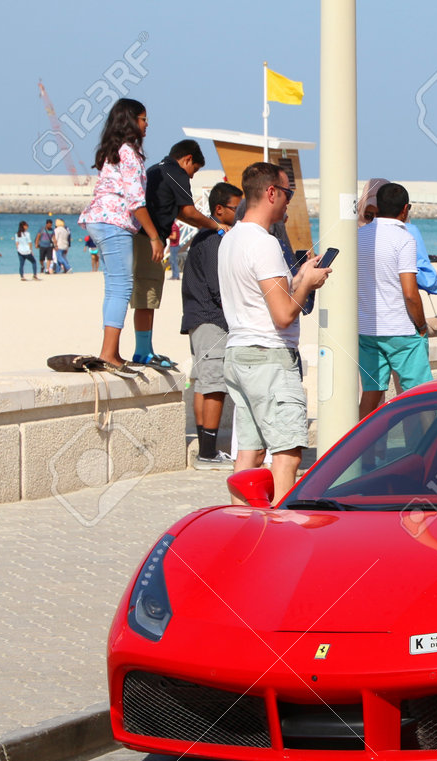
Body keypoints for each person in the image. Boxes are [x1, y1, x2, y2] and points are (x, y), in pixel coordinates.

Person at [220, 161, 330, 503]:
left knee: (249, 453)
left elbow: (263, 299)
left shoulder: (231, 239)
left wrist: (299, 280)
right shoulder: (264, 244)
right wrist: (308, 284)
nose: (289, 202)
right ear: (271, 193)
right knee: (287, 452)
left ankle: (239, 523)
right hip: (269, 357)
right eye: (288, 194)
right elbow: (283, 314)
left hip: (238, 353)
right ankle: (281, 530)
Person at [78, 97, 163, 374]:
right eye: (143, 118)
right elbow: (136, 201)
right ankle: (108, 353)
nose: (147, 123)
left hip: (101, 220)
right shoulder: (128, 152)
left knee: (115, 287)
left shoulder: (114, 151)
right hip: (113, 222)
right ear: (130, 121)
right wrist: (154, 236)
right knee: (122, 287)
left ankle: (111, 351)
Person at [134, 139, 225, 369]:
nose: (192, 177)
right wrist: (216, 226)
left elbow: (180, 214)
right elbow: (189, 211)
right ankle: (142, 351)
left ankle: (145, 348)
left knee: (145, 294)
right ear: (187, 160)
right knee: (147, 294)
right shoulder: (175, 173)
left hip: (138, 236)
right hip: (147, 240)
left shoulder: (155, 169)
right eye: (194, 170)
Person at [357, 182, 434, 418]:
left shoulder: (359, 236)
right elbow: (410, 293)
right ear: (405, 209)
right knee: (422, 396)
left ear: (377, 207)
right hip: (400, 329)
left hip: (367, 329)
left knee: (371, 393)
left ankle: (364, 452)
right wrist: (421, 326)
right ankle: (426, 450)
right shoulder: (404, 238)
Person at [181, 182, 242, 469]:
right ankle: (207, 451)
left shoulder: (204, 237)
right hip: (210, 319)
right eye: (236, 208)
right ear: (219, 209)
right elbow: (219, 288)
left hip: (198, 318)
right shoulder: (214, 239)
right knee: (214, 384)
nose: (240, 213)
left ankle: (207, 448)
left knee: (203, 382)